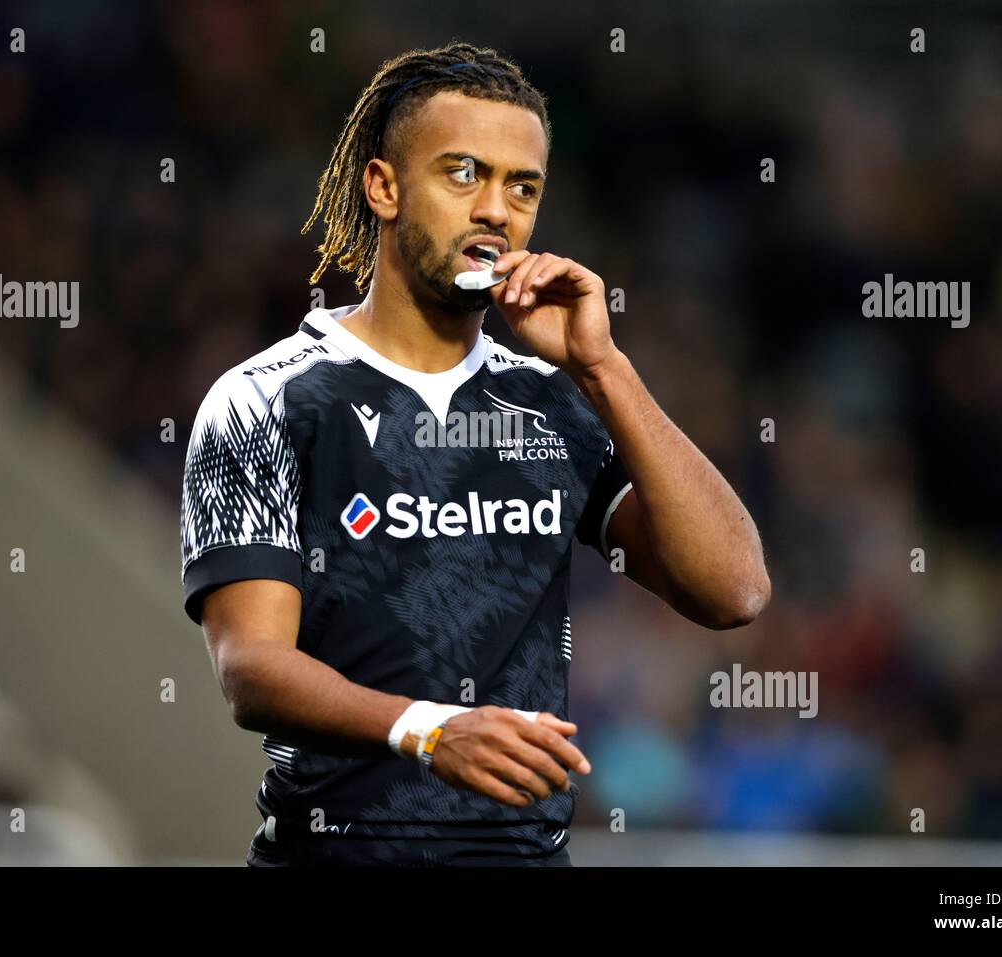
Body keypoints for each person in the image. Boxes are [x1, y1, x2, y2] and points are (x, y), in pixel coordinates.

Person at [179, 42, 770, 866]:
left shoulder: (554, 402)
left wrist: (604, 368)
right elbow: (250, 668)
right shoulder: (266, 399)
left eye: (521, 187)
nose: (495, 209)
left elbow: (733, 588)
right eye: (464, 174)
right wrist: (428, 730)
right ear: (384, 186)